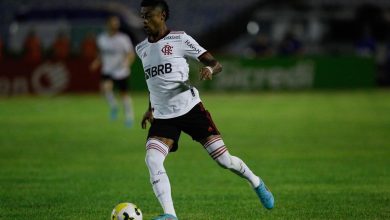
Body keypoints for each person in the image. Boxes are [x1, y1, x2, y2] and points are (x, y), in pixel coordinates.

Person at [136, 1, 274, 219]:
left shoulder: (180, 39)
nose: (144, 20)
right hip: (163, 117)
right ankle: (170, 215)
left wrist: (209, 69)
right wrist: (149, 108)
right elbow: (154, 83)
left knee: (224, 161)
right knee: (152, 159)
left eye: (148, 16)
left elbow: (215, 63)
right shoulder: (141, 48)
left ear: (162, 16)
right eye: (142, 16)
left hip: (191, 110)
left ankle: (256, 181)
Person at [90, 16, 135, 127]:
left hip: (121, 71)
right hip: (107, 69)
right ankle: (114, 106)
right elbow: (101, 53)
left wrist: (127, 63)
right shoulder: (101, 38)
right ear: (108, 25)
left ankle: (129, 117)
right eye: (113, 23)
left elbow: (130, 54)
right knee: (105, 89)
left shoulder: (123, 38)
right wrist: (96, 62)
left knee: (124, 95)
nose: (115, 25)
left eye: (117, 23)